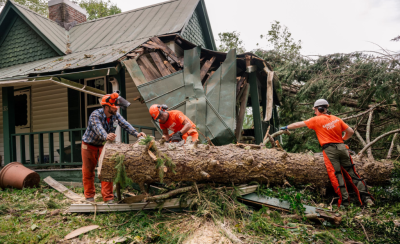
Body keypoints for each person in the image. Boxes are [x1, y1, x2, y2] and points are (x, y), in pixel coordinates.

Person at [280, 99, 374, 207]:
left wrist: (286, 127)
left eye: (315, 110)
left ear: (319, 109)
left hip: (330, 150)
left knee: (337, 175)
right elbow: (351, 132)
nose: (315, 112)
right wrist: (342, 139)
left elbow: (298, 124)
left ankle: (344, 203)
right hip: (342, 148)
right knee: (353, 174)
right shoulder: (336, 119)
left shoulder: (316, 119)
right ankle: (367, 199)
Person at [81, 92, 146, 204]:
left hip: (103, 145)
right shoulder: (95, 114)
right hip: (89, 145)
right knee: (88, 171)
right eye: (114, 107)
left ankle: (108, 198)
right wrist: (106, 135)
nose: (116, 109)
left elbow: (125, 124)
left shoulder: (115, 115)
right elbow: (98, 128)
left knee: (107, 170)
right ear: (106, 107)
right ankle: (89, 197)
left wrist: (136, 134)